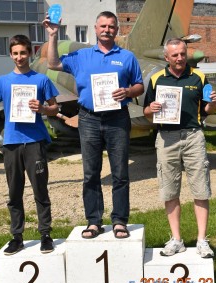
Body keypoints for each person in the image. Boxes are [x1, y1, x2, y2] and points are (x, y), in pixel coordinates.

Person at [43, 11, 144, 239]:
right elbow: (53, 63)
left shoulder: (127, 57)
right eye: (103, 26)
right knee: (91, 173)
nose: (107, 30)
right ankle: (94, 221)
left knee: (120, 173)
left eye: (111, 26)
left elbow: (139, 86)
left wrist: (128, 91)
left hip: (117, 118)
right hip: (88, 119)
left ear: (117, 30)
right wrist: (52, 35)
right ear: (96, 29)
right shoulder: (82, 56)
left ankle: (119, 221)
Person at [0, 34, 59, 255]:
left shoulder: (41, 80)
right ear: (10, 55)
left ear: (30, 54)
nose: (19, 57)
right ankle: (17, 237)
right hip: (12, 144)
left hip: (35, 142)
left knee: (40, 191)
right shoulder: (2, 81)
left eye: (23, 53)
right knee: (14, 193)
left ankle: (45, 235)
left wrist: (42, 109)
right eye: (15, 53)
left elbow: (55, 109)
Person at [143, 37, 216, 258]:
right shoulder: (157, 79)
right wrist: (152, 108)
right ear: (166, 57)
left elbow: (208, 110)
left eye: (182, 54)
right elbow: (147, 113)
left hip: (194, 136)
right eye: (174, 55)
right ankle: (176, 239)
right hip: (166, 138)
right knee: (169, 190)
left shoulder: (199, 77)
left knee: (201, 189)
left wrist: (212, 103)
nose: (179, 58)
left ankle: (202, 241)